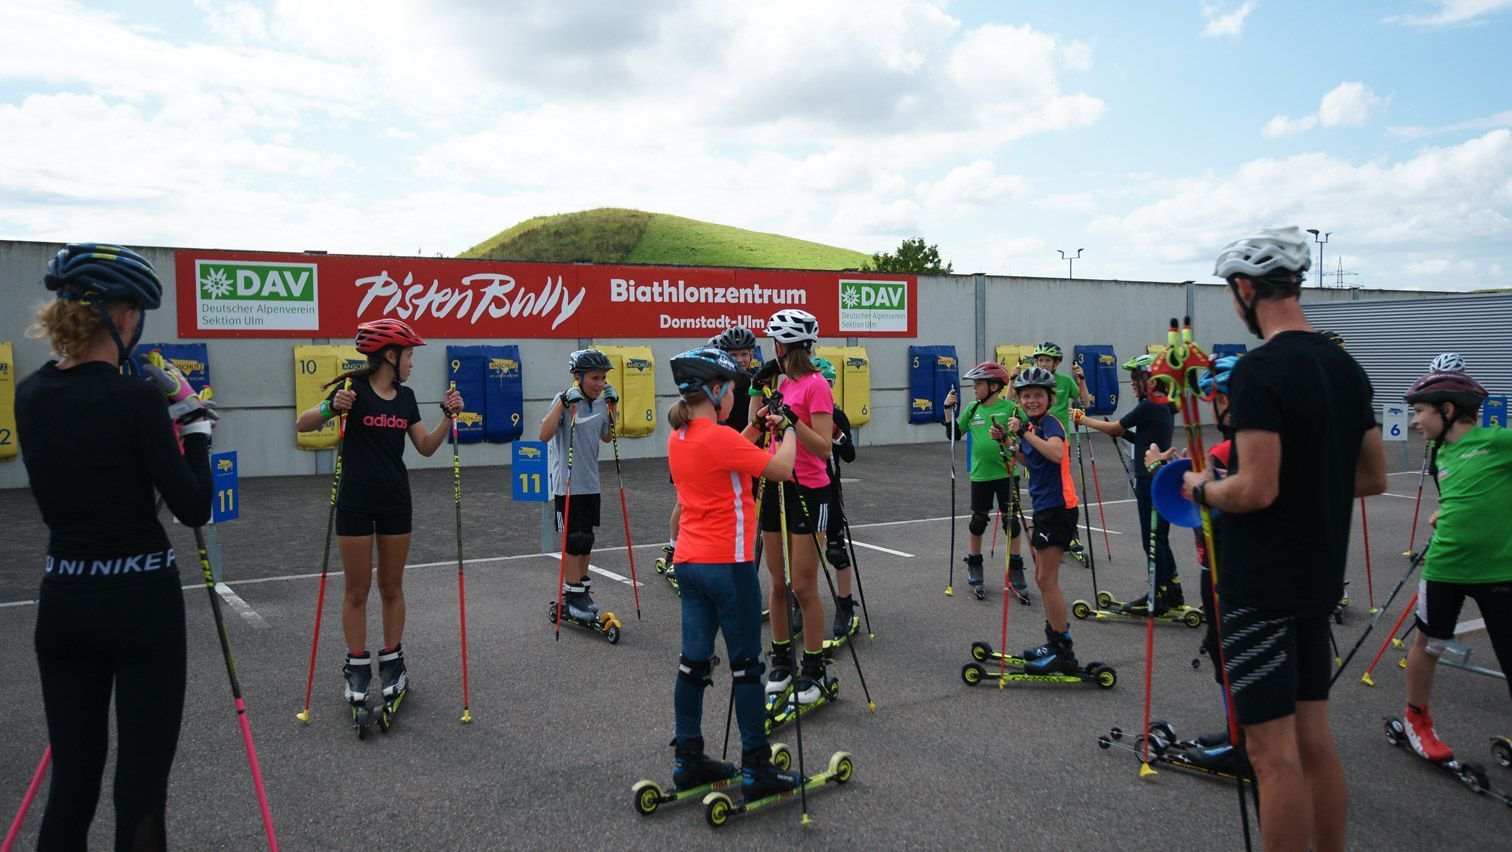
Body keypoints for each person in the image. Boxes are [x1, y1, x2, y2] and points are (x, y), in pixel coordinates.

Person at [1182, 226, 1385, 852]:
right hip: (1317, 574)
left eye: (1231, 293)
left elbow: (1255, 489)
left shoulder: (1260, 369)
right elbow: (1372, 476)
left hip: (1259, 584)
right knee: (1314, 738)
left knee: (1271, 755)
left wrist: (1201, 488)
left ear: (1246, 289)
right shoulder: (1344, 365)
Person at [17, 244, 215, 850]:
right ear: (124, 317)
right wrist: (195, 425)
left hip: (65, 602)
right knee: (140, 791)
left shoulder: (30, 394)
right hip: (140, 605)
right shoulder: (135, 400)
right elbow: (193, 507)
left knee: (72, 786)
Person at [296, 318, 463, 715]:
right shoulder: (351, 391)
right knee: (356, 590)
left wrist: (447, 416)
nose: (411, 362)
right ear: (390, 355)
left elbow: (424, 447)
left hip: (395, 502)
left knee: (391, 586)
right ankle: (356, 668)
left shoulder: (405, 398)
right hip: (354, 501)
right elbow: (303, 424)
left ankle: (391, 663)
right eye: (408, 355)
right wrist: (329, 406)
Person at [663, 347, 802, 801]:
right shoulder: (717, 438)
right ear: (716, 391)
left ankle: (688, 759)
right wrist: (788, 430)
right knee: (747, 666)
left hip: (690, 562)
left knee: (693, 662)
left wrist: (755, 428)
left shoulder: (681, 436)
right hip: (729, 562)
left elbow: (727, 452)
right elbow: (780, 468)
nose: (735, 397)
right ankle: (756, 767)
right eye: (732, 390)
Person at [1400, 369, 1512, 761]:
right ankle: (1417, 719)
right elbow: (1465, 494)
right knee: (1429, 644)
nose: (1414, 420)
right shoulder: (1440, 454)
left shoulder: (1499, 441)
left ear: (1447, 409)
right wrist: (1443, 512)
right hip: (1444, 568)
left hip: (1499, 571)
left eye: (1420, 411)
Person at [751, 308, 836, 706]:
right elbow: (755, 429)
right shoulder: (781, 383)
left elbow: (822, 447)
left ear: (785, 346)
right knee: (777, 582)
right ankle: (782, 661)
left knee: (803, 586)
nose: (773, 348)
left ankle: (815, 669)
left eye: (775, 341)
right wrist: (762, 397)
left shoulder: (817, 386)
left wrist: (790, 422)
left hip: (810, 489)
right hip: (775, 483)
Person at [1074, 353, 1180, 612]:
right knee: (1160, 537)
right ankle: (1171, 589)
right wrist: (1124, 433)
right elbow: (1142, 439)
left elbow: (1114, 428)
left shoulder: (1149, 405)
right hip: (1159, 476)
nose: (1132, 383)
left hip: (1149, 478)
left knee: (1151, 539)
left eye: (1135, 378)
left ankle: (1160, 594)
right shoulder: (1163, 405)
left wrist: (1083, 419)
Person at [656, 326, 758, 590]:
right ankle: (675, 551)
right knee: (686, 503)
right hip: (703, 448)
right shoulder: (712, 380)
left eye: (745, 353)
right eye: (734, 354)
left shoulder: (755, 381)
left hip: (733, 449)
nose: (741, 359)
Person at [1004, 367, 1082, 673]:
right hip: (1046, 506)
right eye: (1026, 395)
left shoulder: (1050, 424)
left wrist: (1022, 433)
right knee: (1042, 578)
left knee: (1047, 581)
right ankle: (1054, 642)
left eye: (1038, 395)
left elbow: (1056, 453)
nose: (1031, 400)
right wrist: (1009, 445)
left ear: (1050, 398)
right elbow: (1032, 461)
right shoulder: (1034, 426)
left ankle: (1064, 652)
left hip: (1059, 507)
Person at [537, 348, 617, 621]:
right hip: (567, 486)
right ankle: (571, 597)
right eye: (595, 378)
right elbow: (543, 435)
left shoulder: (600, 402)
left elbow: (608, 436)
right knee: (573, 540)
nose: (600, 383)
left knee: (587, 539)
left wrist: (613, 406)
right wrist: (561, 402)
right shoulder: (566, 402)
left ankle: (581, 591)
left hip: (591, 484)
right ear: (578, 377)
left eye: (603, 378)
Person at [943, 361, 1028, 602]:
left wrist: (1019, 432)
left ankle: (1015, 568)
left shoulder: (1011, 408)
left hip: (1007, 474)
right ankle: (975, 562)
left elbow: (1028, 430)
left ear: (993, 386)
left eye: (978, 384)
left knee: (1012, 522)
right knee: (978, 522)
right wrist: (948, 410)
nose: (974, 388)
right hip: (980, 476)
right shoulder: (971, 409)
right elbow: (954, 434)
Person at [1012, 342, 1091, 563]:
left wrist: (1081, 380)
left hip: (1056, 439)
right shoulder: (1031, 384)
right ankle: (1051, 533)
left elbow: (1085, 401)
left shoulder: (1064, 382)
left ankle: (1068, 536)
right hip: (1035, 438)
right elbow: (1011, 401)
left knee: (1061, 486)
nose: (1043, 364)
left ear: (1056, 363)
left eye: (1048, 360)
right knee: (1039, 481)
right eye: (1040, 360)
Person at [813, 356, 861, 636]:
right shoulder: (799, 414)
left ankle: (845, 605)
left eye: (828, 383)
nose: (824, 388)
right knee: (801, 553)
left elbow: (851, 456)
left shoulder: (837, 414)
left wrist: (837, 433)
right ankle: (798, 603)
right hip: (805, 490)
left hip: (831, 491)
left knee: (835, 551)